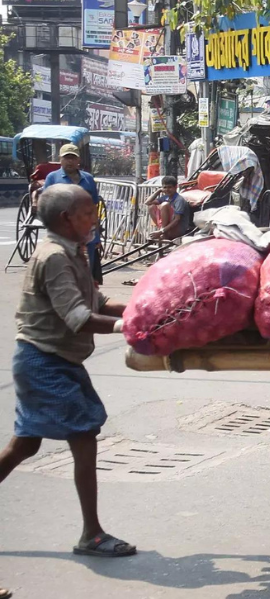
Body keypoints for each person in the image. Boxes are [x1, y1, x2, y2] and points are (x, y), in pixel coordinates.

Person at [0, 184, 135, 564]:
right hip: (45, 362)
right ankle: (92, 534)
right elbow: (78, 317)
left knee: (25, 445)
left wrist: (143, 305)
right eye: (88, 213)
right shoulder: (55, 257)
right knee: (84, 435)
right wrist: (129, 327)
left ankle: (92, 533)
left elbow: (96, 301)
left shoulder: (74, 250)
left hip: (52, 360)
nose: (94, 219)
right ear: (66, 219)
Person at [42, 144, 102, 286]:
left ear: (78, 160)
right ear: (60, 159)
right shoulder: (53, 178)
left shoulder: (88, 179)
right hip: (62, 232)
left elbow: (94, 206)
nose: (70, 161)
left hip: (86, 232)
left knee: (86, 271)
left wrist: (97, 235)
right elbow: (46, 205)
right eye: (66, 158)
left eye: (73, 158)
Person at [145, 176, 190, 241]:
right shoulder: (166, 197)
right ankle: (161, 230)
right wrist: (158, 191)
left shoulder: (179, 200)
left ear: (175, 187)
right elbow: (147, 202)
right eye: (165, 187)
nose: (167, 190)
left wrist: (161, 231)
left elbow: (177, 219)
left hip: (179, 229)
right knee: (151, 206)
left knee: (165, 205)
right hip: (167, 228)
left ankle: (163, 232)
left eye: (169, 187)